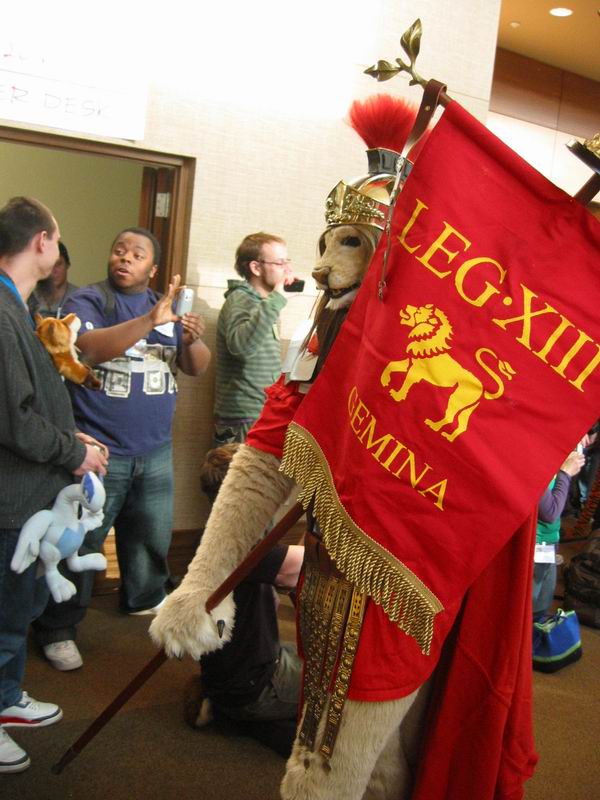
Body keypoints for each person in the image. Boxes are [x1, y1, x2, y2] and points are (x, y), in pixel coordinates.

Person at [33, 226, 211, 672]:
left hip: (155, 448)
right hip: (101, 450)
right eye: (119, 251)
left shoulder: (166, 308)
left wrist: (191, 338)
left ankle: (143, 597)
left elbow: (196, 367)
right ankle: (58, 628)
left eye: (136, 254)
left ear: (152, 268)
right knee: (79, 541)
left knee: (150, 534)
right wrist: (151, 320)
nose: (125, 258)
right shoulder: (90, 300)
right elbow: (88, 349)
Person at [0, 196, 107, 773]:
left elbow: (31, 401)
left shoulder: (19, 306)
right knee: (3, 613)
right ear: (42, 240)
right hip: (9, 495)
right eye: (56, 237)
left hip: (24, 490)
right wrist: (74, 453)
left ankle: (6, 697)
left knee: (16, 608)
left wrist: (74, 439)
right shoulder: (2, 312)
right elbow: (13, 421)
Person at [184, 444, 303, 757]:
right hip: (255, 683)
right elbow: (303, 566)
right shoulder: (241, 548)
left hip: (230, 673)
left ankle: (225, 707)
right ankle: (241, 716)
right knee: (342, 687)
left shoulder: (207, 539)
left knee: (311, 658)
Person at [213, 232, 293, 447]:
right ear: (256, 268)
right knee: (236, 470)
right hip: (242, 418)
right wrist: (277, 299)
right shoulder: (240, 299)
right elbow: (241, 347)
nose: (288, 270)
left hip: (259, 412)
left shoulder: (263, 303)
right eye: (280, 263)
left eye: (287, 262)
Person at [534, 448, 585, 621]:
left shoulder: (551, 456)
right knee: (531, 608)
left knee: (541, 607)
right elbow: (550, 512)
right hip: (535, 546)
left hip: (547, 544)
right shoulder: (534, 461)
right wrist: (565, 473)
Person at [27, 241, 78, 318]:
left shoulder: (78, 297)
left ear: (67, 265)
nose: (53, 271)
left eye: (58, 264)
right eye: (49, 265)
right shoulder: (31, 297)